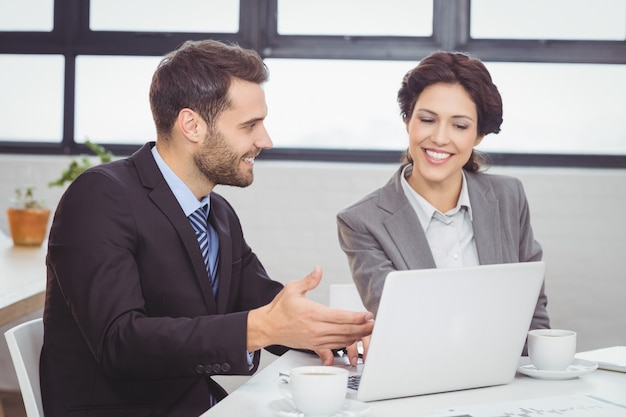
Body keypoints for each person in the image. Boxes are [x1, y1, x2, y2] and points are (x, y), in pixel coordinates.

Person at [41, 39, 373, 417]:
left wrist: (345, 332)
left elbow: (265, 306)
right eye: (250, 125)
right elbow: (120, 343)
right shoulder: (100, 197)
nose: (265, 140)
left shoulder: (217, 212)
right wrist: (260, 327)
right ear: (192, 125)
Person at [336, 51, 549, 355]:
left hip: (505, 383)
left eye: (459, 126)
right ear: (408, 120)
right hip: (422, 383)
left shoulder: (509, 197)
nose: (439, 137)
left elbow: (534, 315)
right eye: (427, 119)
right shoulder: (361, 221)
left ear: (478, 136)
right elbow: (402, 325)